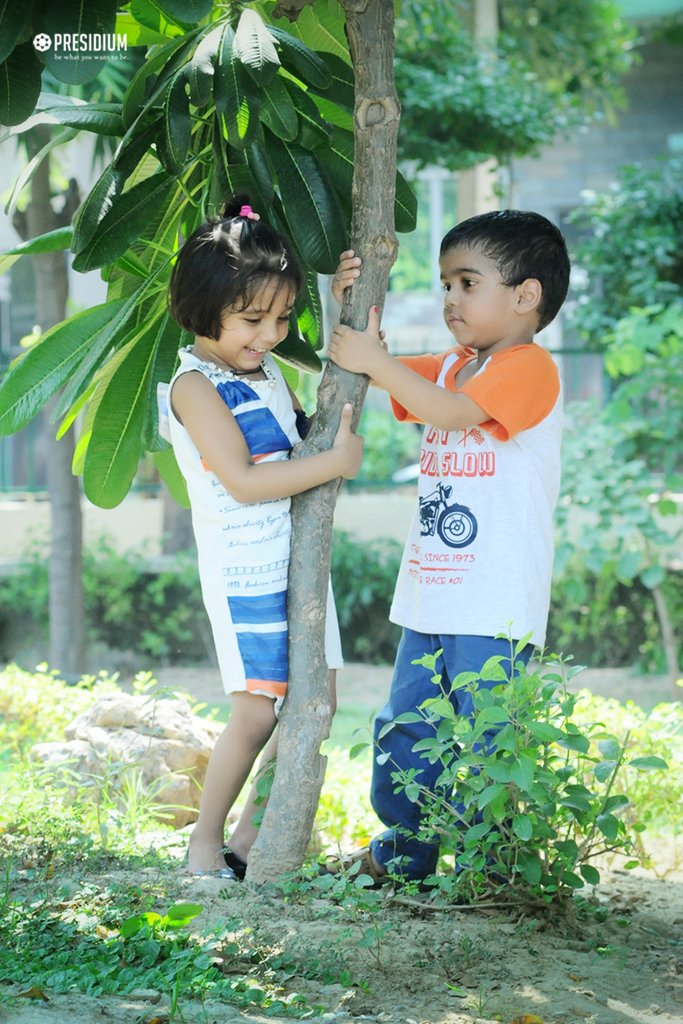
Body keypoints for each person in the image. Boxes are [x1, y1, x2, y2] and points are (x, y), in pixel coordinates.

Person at [327, 210, 570, 883]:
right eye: (444, 285)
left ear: (525, 296)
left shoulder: (529, 368)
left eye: (467, 283)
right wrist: (344, 304)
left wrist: (375, 361)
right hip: (432, 595)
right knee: (405, 731)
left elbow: (453, 414)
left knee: (491, 738)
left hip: (492, 604)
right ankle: (405, 855)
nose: (449, 300)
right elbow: (366, 364)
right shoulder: (451, 366)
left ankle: (493, 870)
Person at [160, 196, 364, 877]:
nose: (270, 334)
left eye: (281, 318)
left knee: (315, 703)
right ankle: (201, 847)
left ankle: (253, 844)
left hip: (298, 563)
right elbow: (245, 480)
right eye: (252, 319)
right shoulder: (194, 386)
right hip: (248, 571)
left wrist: (343, 305)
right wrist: (334, 463)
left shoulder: (266, 368)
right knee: (256, 712)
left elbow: (306, 426)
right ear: (202, 305)